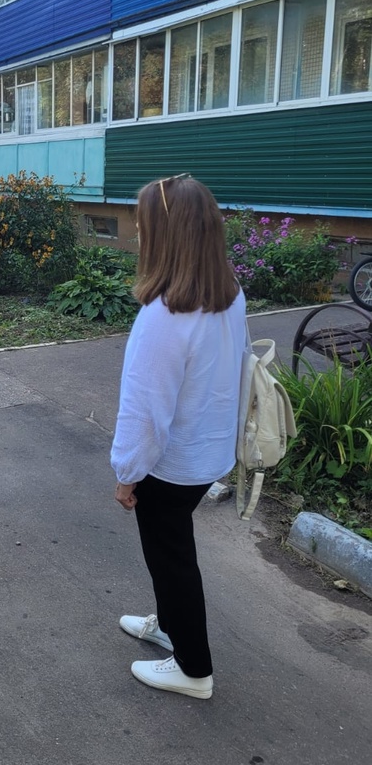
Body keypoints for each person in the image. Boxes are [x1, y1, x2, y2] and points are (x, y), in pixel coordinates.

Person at [110, 173, 245, 701]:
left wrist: (127, 475)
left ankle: (193, 667)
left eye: (144, 224)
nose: (139, 233)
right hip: (208, 453)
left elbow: (144, 413)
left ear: (166, 233)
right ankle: (171, 626)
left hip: (169, 465)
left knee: (171, 559)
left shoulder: (163, 316)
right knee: (173, 552)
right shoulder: (227, 294)